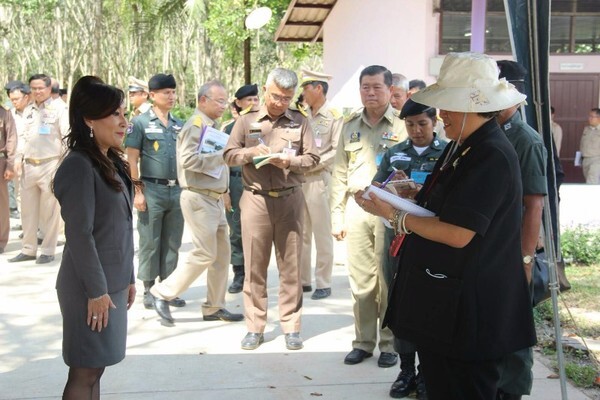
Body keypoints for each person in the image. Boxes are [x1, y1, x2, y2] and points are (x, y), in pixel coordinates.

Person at [362, 52, 536, 399]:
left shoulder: (491, 154)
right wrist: (411, 196)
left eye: (449, 106)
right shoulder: (464, 145)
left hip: (470, 311)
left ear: (472, 107)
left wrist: (394, 216)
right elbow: (453, 206)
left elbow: (458, 233)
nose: (441, 115)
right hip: (448, 306)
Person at [53, 75, 137, 400]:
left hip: (110, 283)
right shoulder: (79, 165)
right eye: (115, 113)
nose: (123, 121)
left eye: (123, 113)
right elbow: (79, 234)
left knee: (96, 368)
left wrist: (127, 277)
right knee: (84, 370)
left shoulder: (111, 162)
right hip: (89, 288)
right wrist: (98, 291)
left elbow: (120, 228)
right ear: (89, 118)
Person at [224, 67, 320, 351]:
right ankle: (255, 326)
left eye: (287, 98)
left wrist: (289, 162)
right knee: (255, 267)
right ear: (265, 89)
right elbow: (228, 155)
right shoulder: (246, 121)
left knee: (291, 266)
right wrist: (251, 153)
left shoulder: (300, 121)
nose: (280, 103)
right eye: (276, 96)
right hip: (256, 200)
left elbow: (313, 157)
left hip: (290, 198)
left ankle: (291, 326)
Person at [330, 65, 406, 369]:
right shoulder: (349, 125)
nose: (371, 93)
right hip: (357, 209)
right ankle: (363, 342)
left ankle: (389, 343)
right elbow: (337, 173)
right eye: (365, 87)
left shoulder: (402, 125)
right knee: (360, 281)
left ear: (389, 90)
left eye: (377, 87)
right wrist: (337, 216)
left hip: (390, 212)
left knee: (388, 279)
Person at [149, 80, 243, 324]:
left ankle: (214, 306)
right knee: (204, 253)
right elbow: (189, 161)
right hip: (199, 197)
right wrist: (222, 156)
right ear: (203, 100)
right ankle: (162, 292)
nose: (224, 105)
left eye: (225, 101)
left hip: (213, 198)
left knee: (222, 255)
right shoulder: (196, 125)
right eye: (219, 101)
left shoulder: (211, 125)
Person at [372, 98, 447, 399]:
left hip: (434, 240)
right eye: (410, 124)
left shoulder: (446, 154)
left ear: (434, 122)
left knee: (430, 307)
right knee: (400, 302)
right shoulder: (394, 153)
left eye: (422, 124)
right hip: (399, 239)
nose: (416, 130)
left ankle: (428, 374)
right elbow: (374, 189)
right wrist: (391, 188)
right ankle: (406, 372)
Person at [495, 59, 548, 400]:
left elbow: (534, 205)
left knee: (513, 330)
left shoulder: (525, 139)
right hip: (492, 249)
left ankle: (511, 392)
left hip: (514, 251)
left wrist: (526, 262)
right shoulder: (491, 132)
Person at [125, 73, 186, 310]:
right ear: (152, 95)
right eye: (165, 93)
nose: (170, 96)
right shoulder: (139, 123)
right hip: (151, 189)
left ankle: (168, 288)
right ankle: (149, 288)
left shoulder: (180, 124)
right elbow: (131, 159)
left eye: (172, 92)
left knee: (173, 241)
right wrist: (137, 191)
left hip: (177, 190)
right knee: (150, 240)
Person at [9, 73, 67, 264]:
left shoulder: (60, 109)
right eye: (33, 88)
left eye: (41, 88)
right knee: (27, 210)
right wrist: (18, 159)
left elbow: (67, 137)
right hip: (29, 166)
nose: (37, 92)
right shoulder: (29, 110)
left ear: (49, 88)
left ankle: (48, 249)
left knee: (50, 211)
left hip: (51, 164)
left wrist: (64, 165)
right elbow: (22, 137)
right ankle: (28, 248)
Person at [299, 69, 343, 300]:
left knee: (322, 233)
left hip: (319, 179)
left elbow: (336, 151)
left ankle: (324, 282)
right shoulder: (301, 114)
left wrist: (310, 164)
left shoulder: (335, 116)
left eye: (305, 88)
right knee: (301, 231)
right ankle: (303, 280)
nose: (302, 93)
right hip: (298, 179)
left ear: (318, 88)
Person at [222, 83, 260, 294]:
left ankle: (255, 275)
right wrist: (225, 191)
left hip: (258, 182)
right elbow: (222, 163)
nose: (253, 103)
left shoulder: (266, 125)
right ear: (238, 103)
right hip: (236, 183)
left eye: (256, 99)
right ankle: (239, 274)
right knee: (236, 230)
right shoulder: (228, 129)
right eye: (248, 100)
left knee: (258, 230)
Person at [0, 101, 17, 254]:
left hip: (0, 161)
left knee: (2, 204)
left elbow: (11, 139)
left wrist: (10, 165)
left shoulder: (4, 113)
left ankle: (1, 240)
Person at [580, 108, 600, 184]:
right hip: (585, 159)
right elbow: (582, 144)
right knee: (590, 181)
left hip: (596, 160)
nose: (589, 118)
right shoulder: (587, 129)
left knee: (591, 181)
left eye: (592, 116)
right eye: (589, 116)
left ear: (598, 118)